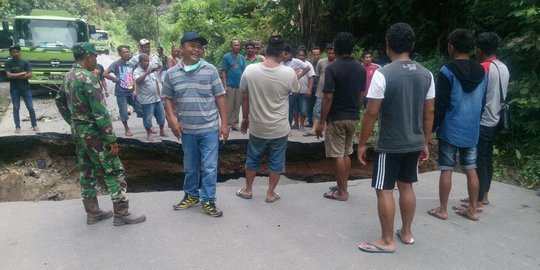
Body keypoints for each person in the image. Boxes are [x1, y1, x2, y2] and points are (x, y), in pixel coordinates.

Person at [356, 23, 435, 253]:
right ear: (412, 46)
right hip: (414, 142)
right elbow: (429, 112)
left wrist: (362, 143)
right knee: (407, 186)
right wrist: (425, 141)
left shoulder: (383, 74)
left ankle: (387, 240)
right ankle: (407, 233)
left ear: (388, 45)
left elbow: (371, 112)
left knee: (384, 189)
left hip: (390, 144)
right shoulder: (426, 74)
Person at [55, 42, 146, 226]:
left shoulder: (68, 77)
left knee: (86, 170)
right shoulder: (88, 79)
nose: (96, 60)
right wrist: (111, 139)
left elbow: (59, 101)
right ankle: (122, 214)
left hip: (79, 132)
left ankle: (93, 212)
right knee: (114, 170)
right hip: (94, 133)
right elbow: (100, 113)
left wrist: (73, 121)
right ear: (88, 56)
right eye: (94, 56)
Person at [163, 32, 229, 218]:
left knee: (209, 166)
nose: (196, 49)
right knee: (190, 166)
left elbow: (220, 97)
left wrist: (224, 124)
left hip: (209, 128)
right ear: (181, 48)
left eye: (199, 46)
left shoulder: (210, 70)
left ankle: (208, 200)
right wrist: (172, 120)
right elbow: (167, 97)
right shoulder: (171, 73)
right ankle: (191, 195)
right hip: (187, 130)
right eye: (192, 45)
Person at [427, 29, 487, 221]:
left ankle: (443, 209)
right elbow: (483, 101)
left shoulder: (447, 70)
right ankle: (472, 208)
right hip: (471, 129)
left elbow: (441, 104)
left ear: (451, 47)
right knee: (471, 168)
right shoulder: (481, 71)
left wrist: (432, 129)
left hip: (450, 128)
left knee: (447, 168)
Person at [235, 35, 300, 203]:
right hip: (279, 128)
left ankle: (248, 190)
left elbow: (244, 96)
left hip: (258, 126)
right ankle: (270, 193)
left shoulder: (250, 70)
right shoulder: (289, 73)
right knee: (277, 161)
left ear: (265, 51)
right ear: (282, 54)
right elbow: (295, 91)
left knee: (253, 158)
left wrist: (245, 118)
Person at [315, 32, 365, 201]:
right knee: (346, 153)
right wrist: (355, 110)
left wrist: (321, 122)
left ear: (335, 49)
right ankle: (342, 185)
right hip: (353, 116)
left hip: (336, 117)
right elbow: (361, 94)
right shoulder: (360, 67)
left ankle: (342, 192)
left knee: (337, 154)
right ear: (352, 49)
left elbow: (328, 97)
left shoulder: (332, 68)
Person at [463, 32, 509, 210]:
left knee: (478, 161)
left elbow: (475, 95)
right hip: (496, 120)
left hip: (482, 121)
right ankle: (484, 195)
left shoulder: (483, 68)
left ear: (479, 49)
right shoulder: (503, 67)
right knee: (487, 158)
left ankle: (478, 201)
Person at [104, 45, 142, 136]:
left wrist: (135, 90)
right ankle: (127, 129)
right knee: (123, 112)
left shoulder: (131, 65)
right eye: (124, 52)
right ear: (120, 54)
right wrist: (115, 79)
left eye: (127, 52)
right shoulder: (116, 64)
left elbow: (134, 78)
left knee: (140, 108)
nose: (126, 53)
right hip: (121, 92)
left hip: (131, 91)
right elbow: (105, 73)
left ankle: (148, 126)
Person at [133, 53, 167, 141]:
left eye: (148, 60)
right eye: (144, 61)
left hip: (157, 98)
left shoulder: (151, 70)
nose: (147, 62)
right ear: (140, 62)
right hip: (147, 100)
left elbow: (156, 83)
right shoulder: (137, 71)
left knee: (161, 116)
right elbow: (137, 81)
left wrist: (160, 95)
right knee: (147, 118)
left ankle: (162, 131)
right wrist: (146, 74)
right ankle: (149, 134)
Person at [5, 44, 38, 133]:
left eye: (17, 52)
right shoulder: (8, 63)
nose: (15, 53)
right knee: (16, 108)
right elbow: (8, 75)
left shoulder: (25, 62)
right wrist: (22, 73)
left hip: (26, 89)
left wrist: (15, 76)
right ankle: (17, 127)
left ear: (19, 52)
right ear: (10, 53)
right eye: (13, 52)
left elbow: (30, 75)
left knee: (30, 107)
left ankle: (34, 125)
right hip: (14, 89)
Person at [304, 44, 335, 137]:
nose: (331, 55)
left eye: (333, 53)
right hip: (321, 92)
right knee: (317, 111)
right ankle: (313, 130)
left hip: (334, 92)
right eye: (329, 53)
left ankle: (329, 131)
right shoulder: (321, 62)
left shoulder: (338, 63)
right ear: (326, 53)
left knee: (332, 112)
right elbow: (317, 76)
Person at [282, 45, 311, 128]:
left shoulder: (296, 61)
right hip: (282, 90)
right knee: (283, 109)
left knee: (290, 109)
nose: (284, 56)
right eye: (283, 54)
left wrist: (298, 76)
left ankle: (288, 127)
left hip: (292, 91)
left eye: (286, 54)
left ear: (290, 54)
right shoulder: (281, 62)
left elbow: (307, 68)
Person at [221, 39, 245, 131]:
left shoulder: (242, 58)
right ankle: (228, 124)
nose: (237, 47)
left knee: (237, 105)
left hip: (239, 85)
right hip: (230, 85)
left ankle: (235, 124)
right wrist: (225, 85)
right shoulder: (226, 57)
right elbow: (223, 71)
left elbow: (243, 72)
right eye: (235, 45)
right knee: (229, 105)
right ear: (231, 46)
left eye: (238, 45)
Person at [295, 46, 315, 131]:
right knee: (294, 109)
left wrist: (309, 89)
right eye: (299, 55)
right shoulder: (293, 63)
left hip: (304, 91)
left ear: (305, 56)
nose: (300, 57)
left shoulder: (308, 65)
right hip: (294, 91)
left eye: (302, 55)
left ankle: (302, 125)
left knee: (304, 109)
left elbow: (311, 78)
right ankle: (296, 124)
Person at [307, 46, 321, 127]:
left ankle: (317, 124)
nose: (316, 56)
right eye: (314, 54)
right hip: (311, 88)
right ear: (312, 54)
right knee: (310, 106)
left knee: (318, 108)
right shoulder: (309, 64)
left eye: (317, 54)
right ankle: (310, 122)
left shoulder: (323, 63)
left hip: (319, 89)